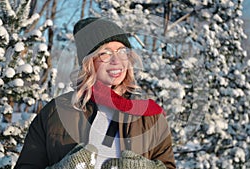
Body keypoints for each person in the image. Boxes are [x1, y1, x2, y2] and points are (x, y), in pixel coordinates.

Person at [15, 17, 176, 169]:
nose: (116, 60)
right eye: (105, 52)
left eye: (121, 51)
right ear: (88, 61)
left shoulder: (150, 115)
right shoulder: (55, 112)